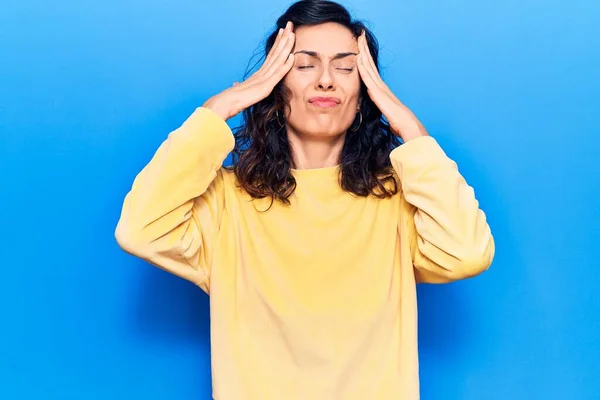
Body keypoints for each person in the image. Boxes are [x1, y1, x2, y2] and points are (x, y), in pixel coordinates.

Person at [115, 0, 495, 398]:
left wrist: (410, 129)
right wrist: (218, 109)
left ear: (365, 92)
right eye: (304, 65)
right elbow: (140, 230)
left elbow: (467, 252)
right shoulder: (227, 203)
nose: (327, 80)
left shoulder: (398, 200)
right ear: (275, 85)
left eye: (347, 67)